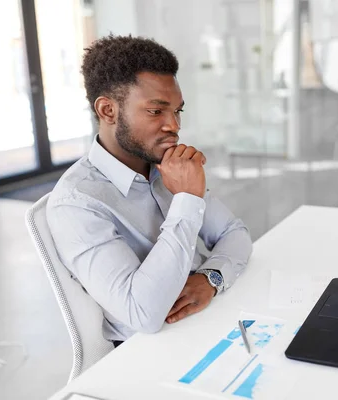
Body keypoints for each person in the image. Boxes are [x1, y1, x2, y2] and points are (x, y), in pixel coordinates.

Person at [47, 35, 253, 346]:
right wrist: (187, 199)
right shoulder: (77, 204)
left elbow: (235, 234)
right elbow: (142, 313)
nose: (174, 125)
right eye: (156, 112)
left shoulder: (167, 165)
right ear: (108, 111)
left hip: (212, 319)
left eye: (177, 111)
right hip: (151, 350)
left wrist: (211, 278)